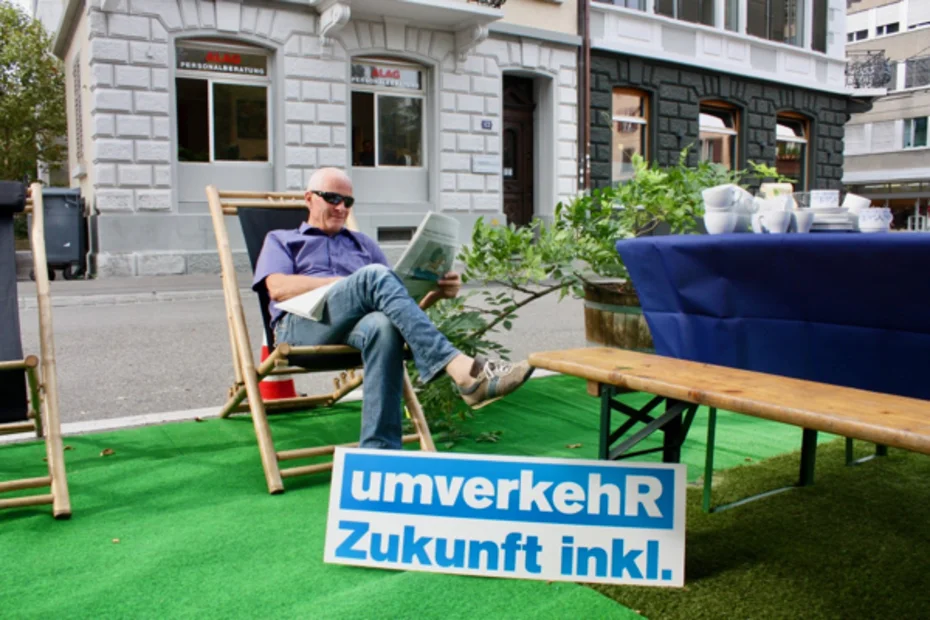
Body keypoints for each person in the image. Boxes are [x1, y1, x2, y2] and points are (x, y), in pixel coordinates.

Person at [253, 168, 534, 450]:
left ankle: (380, 451)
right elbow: (277, 287)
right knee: (373, 276)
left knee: (384, 326)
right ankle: (462, 370)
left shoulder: (363, 244)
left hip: (353, 333)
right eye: (332, 198)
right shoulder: (282, 239)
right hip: (300, 329)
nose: (341, 208)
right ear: (309, 198)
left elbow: (400, 308)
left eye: (348, 202)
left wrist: (436, 294)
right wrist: (346, 283)